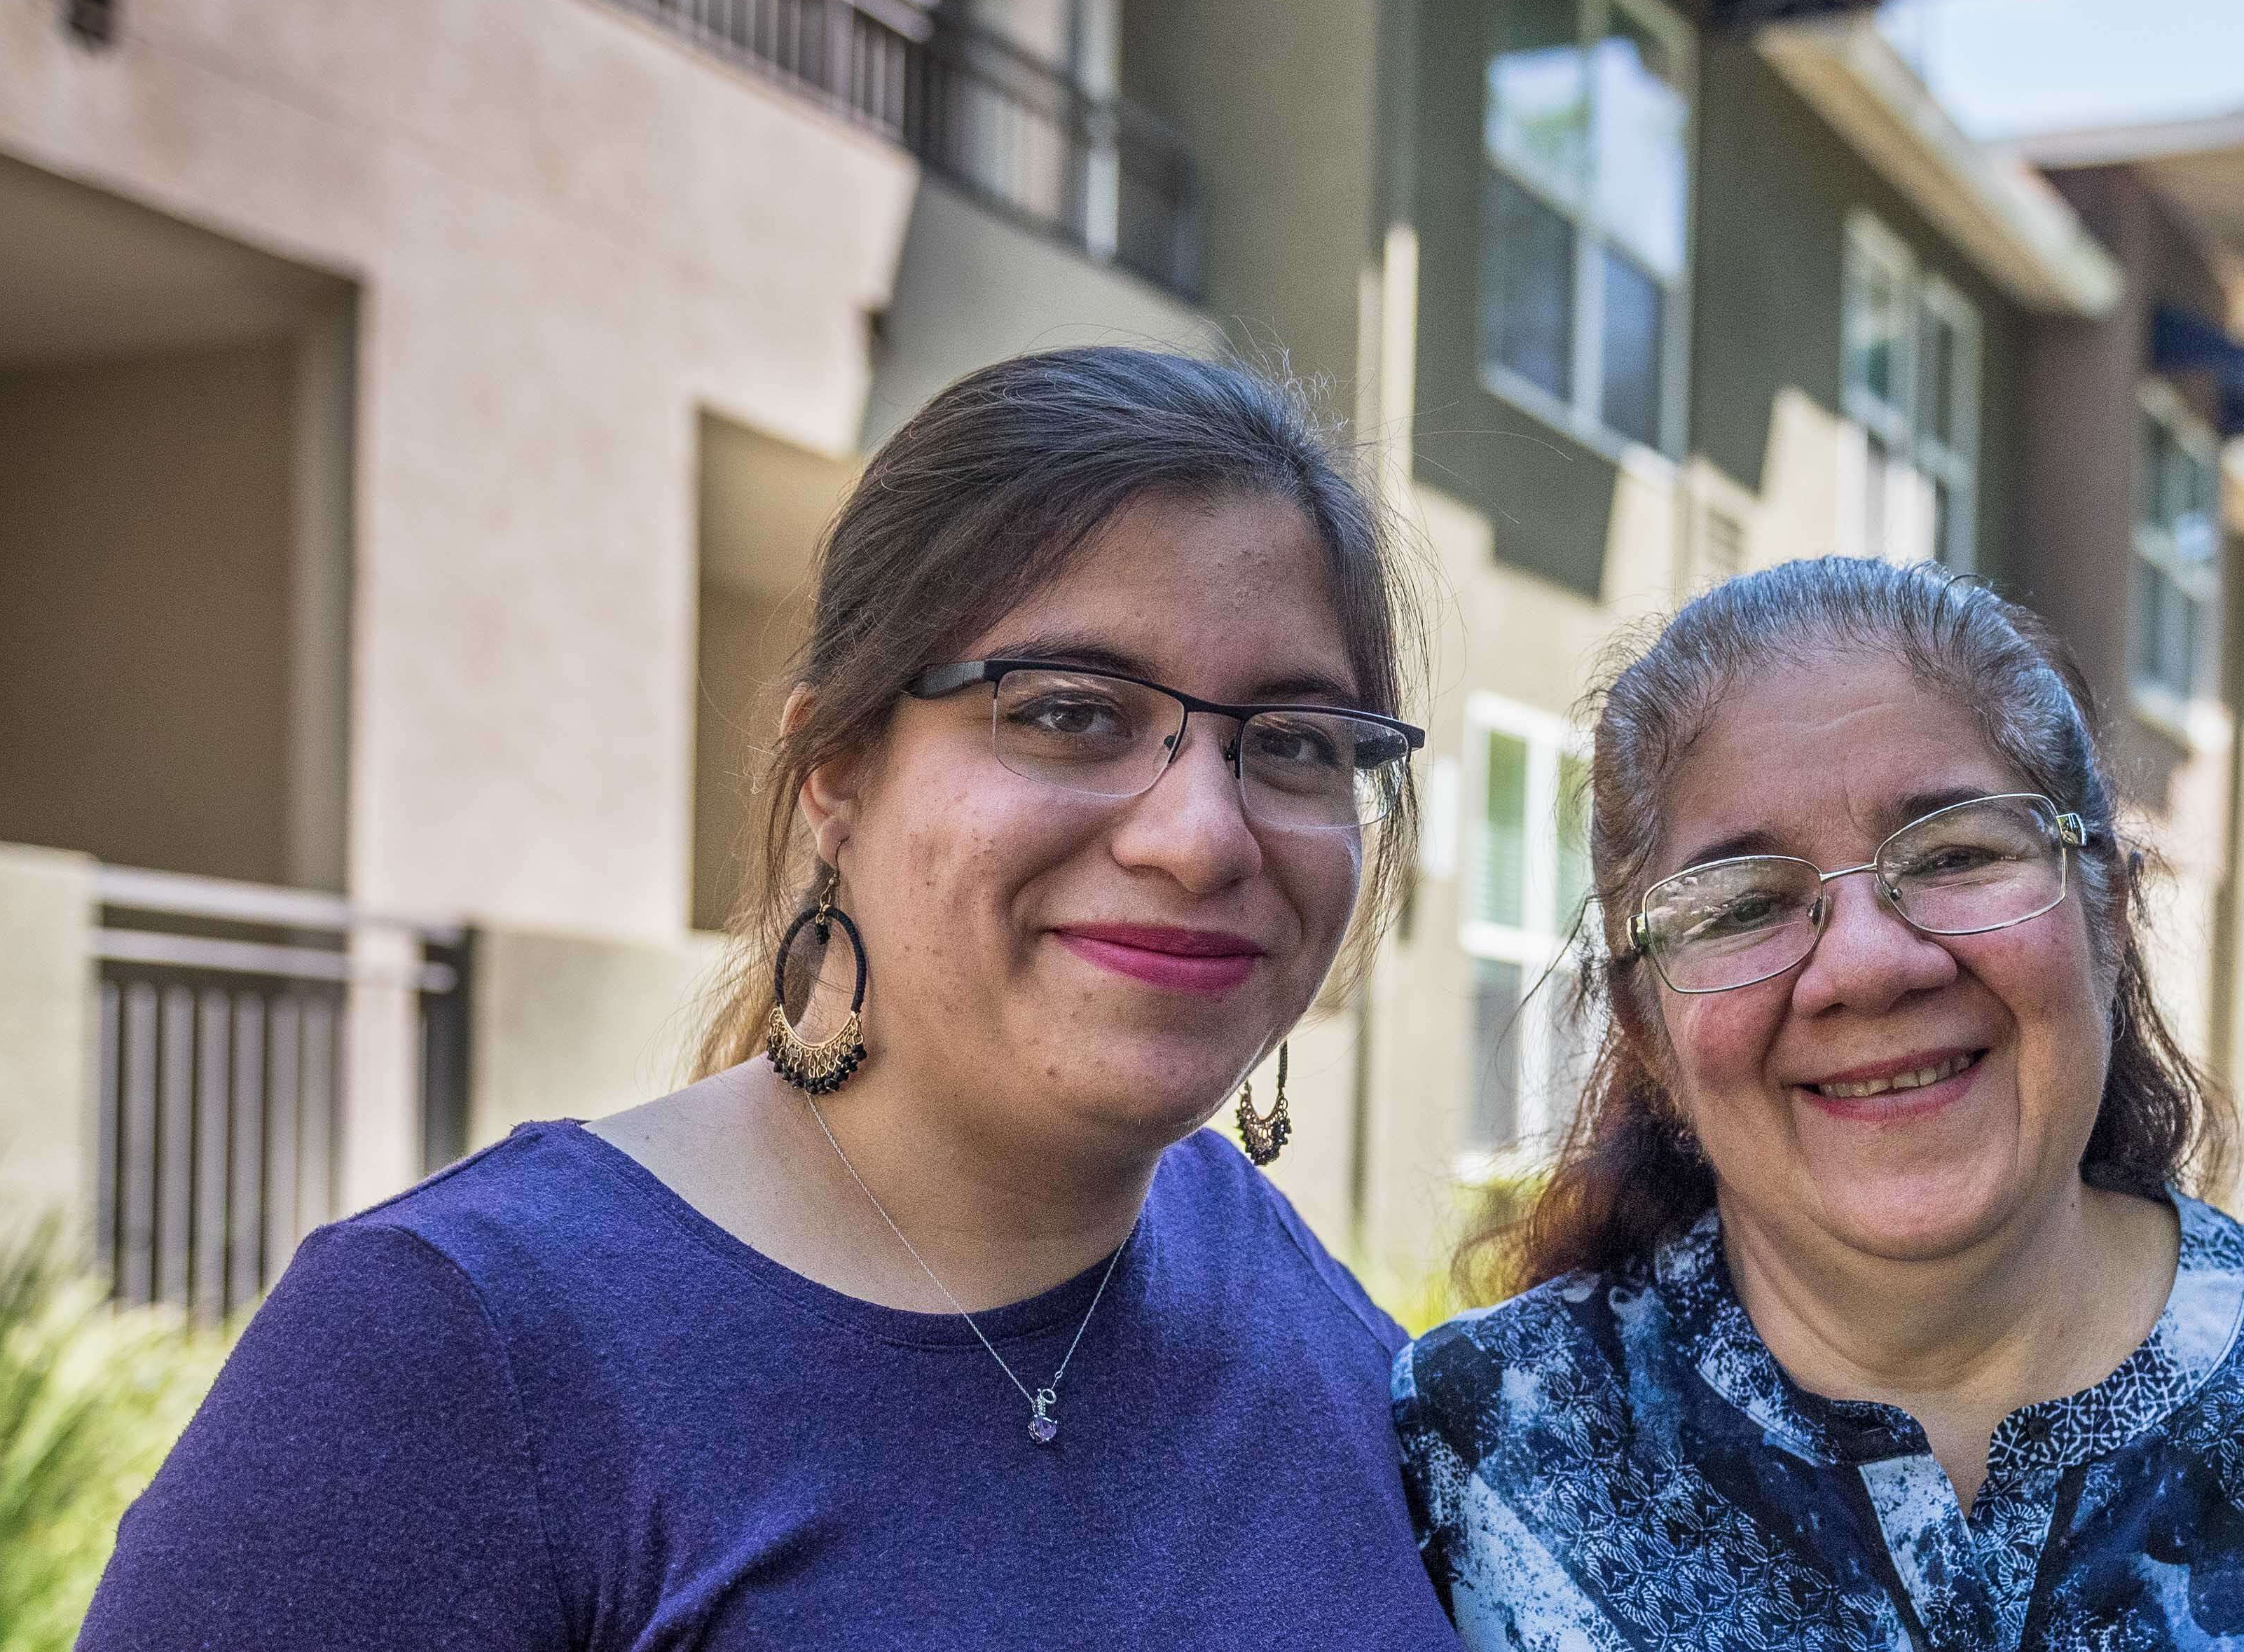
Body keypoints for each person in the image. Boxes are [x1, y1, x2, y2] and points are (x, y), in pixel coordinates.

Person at [82, 347, 1464, 1650]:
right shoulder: (450, 1350)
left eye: (1293, 742)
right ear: (837, 770)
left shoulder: (1283, 1291)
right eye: (1066, 709)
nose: (1202, 836)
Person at [1393, 557, 2244, 1652]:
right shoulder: (1475, 1451)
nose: (1867, 964)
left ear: (2108, 918)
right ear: (1648, 1025)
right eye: (1744, 902)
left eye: (1957, 853)